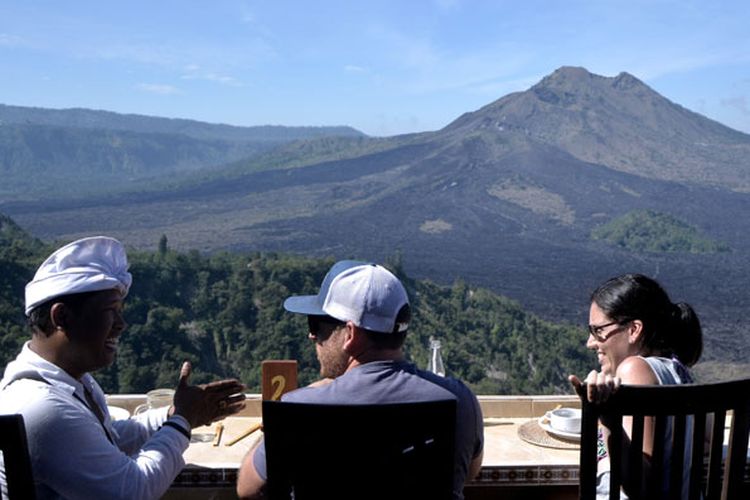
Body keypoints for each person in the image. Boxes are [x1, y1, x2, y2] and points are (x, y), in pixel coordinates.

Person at [0, 236, 247, 500]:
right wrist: (181, 421)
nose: (121, 324)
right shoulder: (44, 407)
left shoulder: (69, 382)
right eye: (111, 311)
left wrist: (177, 412)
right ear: (61, 317)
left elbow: (107, 439)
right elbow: (134, 490)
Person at [236, 260, 484, 500]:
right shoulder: (461, 400)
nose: (312, 336)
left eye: (317, 325)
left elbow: (248, 489)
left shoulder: (299, 407)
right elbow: (468, 474)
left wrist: (272, 424)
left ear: (350, 334)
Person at [568, 273, 703, 500]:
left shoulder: (634, 370)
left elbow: (640, 487)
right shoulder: (677, 370)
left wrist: (608, 416)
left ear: (633, 330)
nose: (590, 342)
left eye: (598, 331)